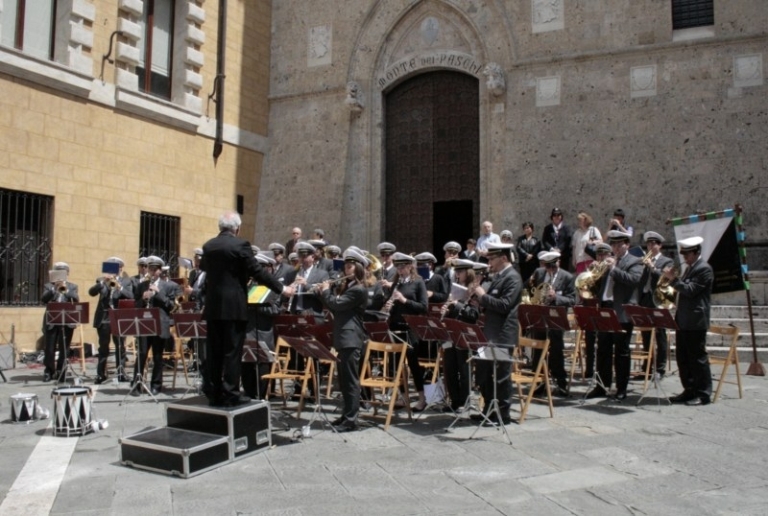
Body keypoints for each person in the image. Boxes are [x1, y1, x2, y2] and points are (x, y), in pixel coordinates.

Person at [201, 211, 293, 407]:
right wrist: (282, 288)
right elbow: (257, 271)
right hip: (234, 306)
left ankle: (214, 391)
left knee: (215, 351)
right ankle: (231, 392)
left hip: (214, 306)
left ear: (220, 227)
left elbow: (206, 270)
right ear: (237, 228)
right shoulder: (240, 245)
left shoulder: (208, 246)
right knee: (233, 351)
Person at [317, 248, 370, 432]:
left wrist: (325, 292)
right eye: (346, 267)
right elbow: (333, 304)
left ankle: (351, 420)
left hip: (351, 338)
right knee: (343, 380)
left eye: (349, 267)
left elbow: (337, 304)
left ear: (359, 269)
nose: (345, 270)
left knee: (350, 381)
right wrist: (324, 290)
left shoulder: (358, 289)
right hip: (343, 337)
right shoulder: (348, 286)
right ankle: (346, 415)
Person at [471, 242, 522, 425]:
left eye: (492, 258)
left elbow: (504, 305)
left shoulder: (513, 278)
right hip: (490, 333)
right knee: (483, 373)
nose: (489, 262)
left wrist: (483, 296)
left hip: (503, 334)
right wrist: (479, 301)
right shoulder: (497, 277)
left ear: (504, 258)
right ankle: (488, 409)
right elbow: (492, 303)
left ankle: (503, 414)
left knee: (501, 376)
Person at [587, 231, 642, 401]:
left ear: (627, 244)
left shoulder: (635, 261)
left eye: (619, 245)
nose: (616, 248)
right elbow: (599, 288)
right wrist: (593, 276)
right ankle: (601, 386)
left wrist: (613, 269)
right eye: (614, 245)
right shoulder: (607, 262)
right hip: (605, 308)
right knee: (602, 349)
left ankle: (621, 388)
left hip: (622, 311)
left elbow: (634, 280)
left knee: (621, 351)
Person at [664, 236, 714, 406]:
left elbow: (691, 290)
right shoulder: (690, 268)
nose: (685, 257)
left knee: (698, 358)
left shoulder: (704, 269)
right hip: (683, 318)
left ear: (696, 252)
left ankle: (703, 394)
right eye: (683, 254)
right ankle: (689, 389)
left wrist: (673, 279)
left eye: (688, 254)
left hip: (695, 320)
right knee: (683, 357)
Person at [132, 256, 183, 395]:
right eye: (150, 269)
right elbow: (135, 305)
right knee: (142, 354)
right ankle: (137, 384)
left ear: (160, 271)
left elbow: (172, 307)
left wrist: (158, 293)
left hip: (160, 324)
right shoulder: (141, 285)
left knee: (157, 356)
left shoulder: (169, 286)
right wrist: (143, 298)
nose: (152, 272)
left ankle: (156, 385)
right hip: (144, 324)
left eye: (155, 269)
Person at [384, 252, 428, 411]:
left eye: (402, 267)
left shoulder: (418, 282)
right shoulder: (396, 282)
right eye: (397, 267)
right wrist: (388, 305)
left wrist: (404, 300)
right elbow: (390, 302)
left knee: (412, 363)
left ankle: (422, 398)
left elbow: (423, 307)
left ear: (410, 266)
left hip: (410, 328)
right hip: (395, 326)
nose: (400, 270)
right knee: (395, 364)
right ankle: (403, 397)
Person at [528, 250, 576, 396]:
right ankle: (539, 383)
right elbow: (532, 291)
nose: (550, 270)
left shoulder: (567, 277)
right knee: (538, 351)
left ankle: (561, 384)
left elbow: (573, 300)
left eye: (553, 266)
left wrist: (556, 297)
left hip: (555, 317)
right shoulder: (539, 273)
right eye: (547, 267)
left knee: (556, 351)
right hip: (540, 316)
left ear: (558, 263)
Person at [440, 259, 480, 411]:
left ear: (468, 273)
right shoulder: (454, 290)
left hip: (464, 333)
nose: (457, 274)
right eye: (456, 271)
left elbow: (474, 314)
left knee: (464, 369)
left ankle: (465, 401)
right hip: (451, 333)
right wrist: (446, 309)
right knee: (450, 368)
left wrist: (457, 304)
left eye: (460, 271)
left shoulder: (474, 291)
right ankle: (454, 401)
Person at [89, 257, 133, 384]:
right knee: (103, 348)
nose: (113, 270)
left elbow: (130, 296)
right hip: (103, 318)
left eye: (116, 267)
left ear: (120, 268)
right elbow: (91, 292)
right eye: (111, 267)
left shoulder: (126, 281)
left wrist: (119, 287)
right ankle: (101, 374)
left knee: (120, 346)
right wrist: (103, 282)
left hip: (118, 317)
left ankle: (121, 373)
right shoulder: (101, 280)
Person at [638, 231, 674, 377]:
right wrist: (642, 267)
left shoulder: (666, 261)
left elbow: (666, 278)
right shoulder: (645, 260)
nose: (651, 246)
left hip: (659, 300)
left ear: (660, 246)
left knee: (660, 334)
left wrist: (652, 267)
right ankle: (647, 366)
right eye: (648, 244)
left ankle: (660, 368)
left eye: (653, 244)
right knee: (645, 333)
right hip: (645, 298)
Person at [41, 262, 79, 382]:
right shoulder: (48, 286)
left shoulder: (72, 286)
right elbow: (43, 299)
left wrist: (65, 289)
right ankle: (49, 371)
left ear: (67, 273)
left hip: (67, 320)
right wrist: (54, 289)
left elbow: (76, 299)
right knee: (49, 348)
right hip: (52, 320)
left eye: (63, 272)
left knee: (64, 347)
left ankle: (61, 371)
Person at [542, 208, 573, 272]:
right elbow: (545, 241)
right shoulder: (547, 228)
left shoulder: (567, 228)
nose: (556, 217)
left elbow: (568, 240)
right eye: (554, 215)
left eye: (558, 215)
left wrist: (560, 249)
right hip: (551, 257)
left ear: (561, 216)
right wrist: (552, 249)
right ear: (552, 217)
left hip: (564, 256)